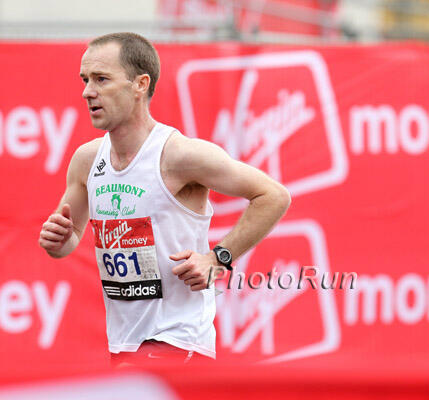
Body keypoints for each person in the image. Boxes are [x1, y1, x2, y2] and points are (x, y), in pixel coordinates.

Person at [38, 32, 291, 366]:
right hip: (125, 340)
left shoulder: (180, 155)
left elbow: (273, 195)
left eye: (101, 79)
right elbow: (69, 237)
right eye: (85, 80)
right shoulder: (87, 160)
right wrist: (58, 241)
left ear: (140, 84)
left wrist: (218, 259)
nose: (87, 91)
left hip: (178, 338)